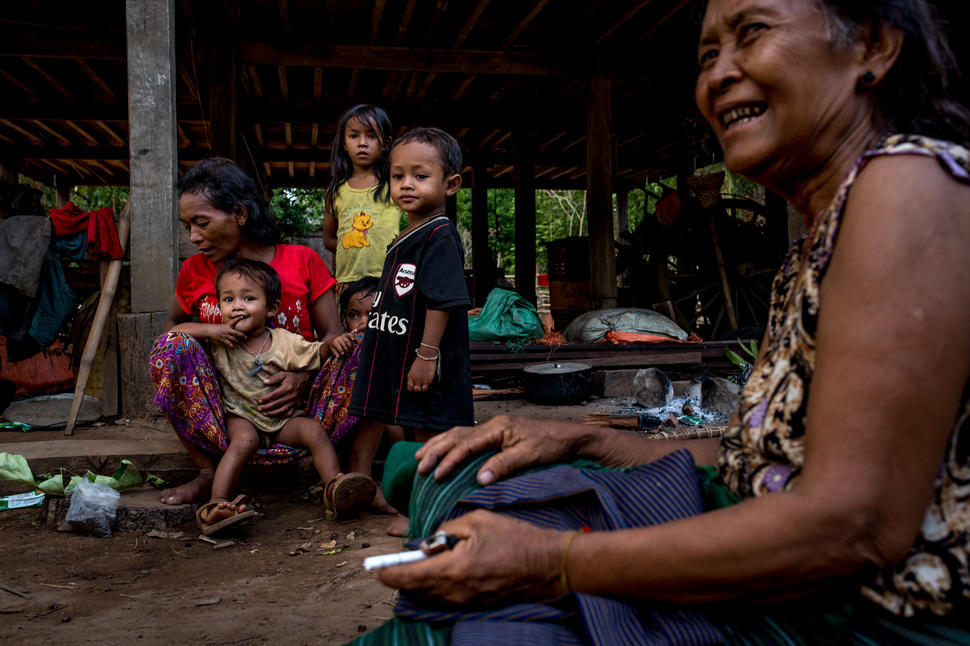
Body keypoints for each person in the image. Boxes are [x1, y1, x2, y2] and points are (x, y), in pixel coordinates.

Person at [355, 1, 970, 643]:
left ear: (871, 45)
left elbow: (854, 526)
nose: (718, 75)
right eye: (707, 55)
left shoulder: (906, 186)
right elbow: (763, 464)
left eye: (752, 32)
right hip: (795, 555)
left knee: (497, 607)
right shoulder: (830, 228)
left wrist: (554, 564)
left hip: (869, 613)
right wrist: (588, 441)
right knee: (469, 475)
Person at [150, 157, 343, 506]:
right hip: (231, 415)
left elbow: (333, 335)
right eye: (187, 225)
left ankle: (342, 480)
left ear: (239, 214)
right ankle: (209, 473)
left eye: (202, 223)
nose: (193, 237)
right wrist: (209, 335)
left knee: (359, 346)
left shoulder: (302, 260)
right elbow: (171, 330)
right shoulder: (194, 271)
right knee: (171, 348)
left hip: (302, 411)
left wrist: (301, 376)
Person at [186, 258, 374, 532]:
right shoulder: (220, 342)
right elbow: (174, 334)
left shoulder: (284, 341)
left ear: (271, 307)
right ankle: (217, 505)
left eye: (248, 298)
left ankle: (335, 488)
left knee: (313, 431)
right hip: (241, 416)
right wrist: (209, 329)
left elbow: (318, 353)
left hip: (283, 420)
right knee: (243, 441)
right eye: (228, 299)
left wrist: (334, 343)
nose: (237, 305)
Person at [348, 127, 474, 520]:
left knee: (429, 432)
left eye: (420, 176)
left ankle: (429, 512)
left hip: (420, 355)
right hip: (390, 350)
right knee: (371, 413)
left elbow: (442, 301)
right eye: (398, 176)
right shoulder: (409, 232)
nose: (406, 185)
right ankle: (360, 487)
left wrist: (427, 354)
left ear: (450, 184)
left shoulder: (440, 236)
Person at [322, 104, 404, 297]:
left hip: (387, 278)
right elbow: (328, 239)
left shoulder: (393, 184)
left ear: (385, 143)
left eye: (371, 136)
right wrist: (353, 246)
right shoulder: (336, 191)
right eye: (353, 136)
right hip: (348, 282)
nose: (362, 143)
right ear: (344, 143)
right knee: (351, 328)